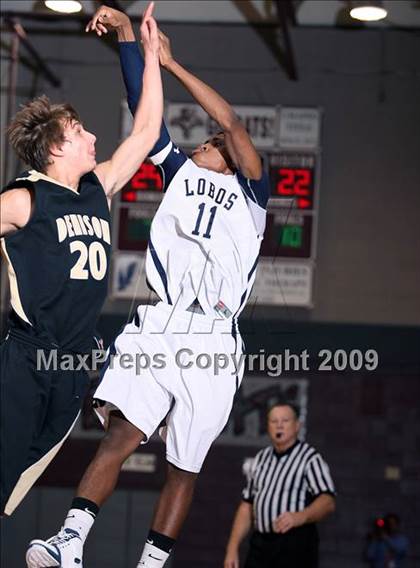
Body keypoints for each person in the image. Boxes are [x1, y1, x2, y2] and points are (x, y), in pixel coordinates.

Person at [25, 4, 270, 568]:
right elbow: (144, 116)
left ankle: (151, 563)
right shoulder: (180, 172)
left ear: (228, 157)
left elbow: (232, 123)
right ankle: (70, 542)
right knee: (118, 437)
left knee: (184, 466)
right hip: (159, 323)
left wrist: (174, 63)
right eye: (204, 143)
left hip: (212, 339)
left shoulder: (253, 195)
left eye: (210, 144)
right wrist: (130, 40)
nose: (204, 144)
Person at [0, 1, 162, 518]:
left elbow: (147, 130)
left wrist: (139, 47)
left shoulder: (98, 189)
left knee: (16, 484)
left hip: (71, 366)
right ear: (55, 147)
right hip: (27, 358)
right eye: (81, 132)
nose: (94, 137)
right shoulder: (25, 198)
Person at [224, 403, 336, 568]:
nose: (279, 425)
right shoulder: (261, 458)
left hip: (294, 543)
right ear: (267, 426)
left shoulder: (309, 458)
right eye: (274, 421)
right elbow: (247, 506)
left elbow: (327, 501)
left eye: (285, 420)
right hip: (261, 543)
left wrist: (301, 516)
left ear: (297, 425)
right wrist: (232, 548)